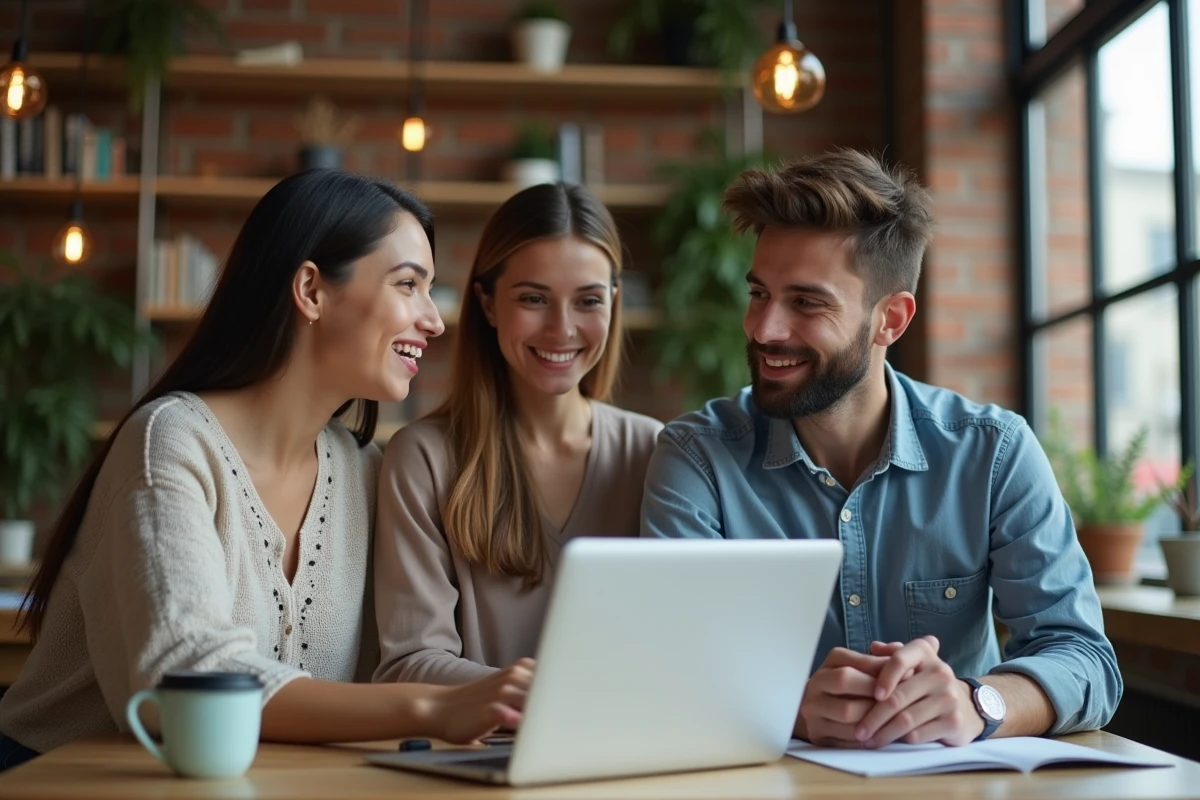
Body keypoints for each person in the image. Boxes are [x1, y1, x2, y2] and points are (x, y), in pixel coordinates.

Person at [0, 170, 533, 770]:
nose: (433, 320)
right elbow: (189, 672)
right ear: (311, 290)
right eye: (408, 284)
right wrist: (429, 709)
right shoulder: (172, 442)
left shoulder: (366, 475)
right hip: (57, 778)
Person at [640, 151, 1122, 749]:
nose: (764, 329)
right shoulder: (697, 458)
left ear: (890, 319)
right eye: (759, 293)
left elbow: (1085, 659)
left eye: (806, 303)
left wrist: (980, 703)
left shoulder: (993, 453)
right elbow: (668, 667)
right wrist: (789, 707)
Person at [374, 182, 663, 685]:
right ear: (487, 304)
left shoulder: (655, 451)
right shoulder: (424, 459)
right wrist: (541, 698)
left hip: (629, 750)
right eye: (534, 298)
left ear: (614, 302)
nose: (562, 329)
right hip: (478, 753)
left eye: (588, 300)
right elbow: (409, 664)